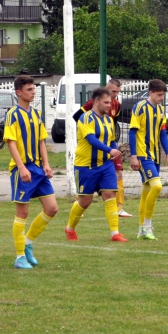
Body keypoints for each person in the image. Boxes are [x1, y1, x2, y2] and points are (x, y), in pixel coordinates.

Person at [4, 75, 59, 269]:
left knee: (52, 208)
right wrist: (21, 166)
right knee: (23, 212)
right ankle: (19, 257)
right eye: (29, 89)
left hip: (38, 168)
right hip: (23, 168)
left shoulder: (36, 114)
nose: (33, 92)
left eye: (34, 89)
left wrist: (46, 164)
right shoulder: (13, 114)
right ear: (19, 92)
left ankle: (27, 243)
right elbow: (10, 142)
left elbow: (41, 141)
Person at [64, 87, 128, 242]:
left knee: (110, 195)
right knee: (85, 201)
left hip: (105, 164)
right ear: (96, 102)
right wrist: (109, 150)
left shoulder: (108, 119)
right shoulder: (86, 118)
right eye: (106, 102)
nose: (109, 105)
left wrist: (115, 151)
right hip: (86, 165)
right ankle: (70, 228)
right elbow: (91, 139)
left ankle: (115, 233)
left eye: (111, 102)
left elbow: (111, 139)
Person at [72, 78, 131, 217]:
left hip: (109, 147)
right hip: (91, 151)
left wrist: (111, 143)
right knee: (86, 198)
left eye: (117, 92)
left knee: (119, 173)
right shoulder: (93, 106)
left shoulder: (116, 104)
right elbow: (76, 116)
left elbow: (113, 123)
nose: (115, 95)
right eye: (113, 91)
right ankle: (79, 206)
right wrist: (88, 129)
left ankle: (119, 208)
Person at [129, 79, 168, 240]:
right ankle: (147, 225)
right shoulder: (140, 107)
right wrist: (133, 155)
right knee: (157, 186)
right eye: (159, 95)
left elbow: (163, 133)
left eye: (163, 95)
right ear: (151, 93)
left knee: (147, 190)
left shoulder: (160, 110)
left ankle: (142, 230)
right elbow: (132, 132)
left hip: (155, 156)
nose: (162, 98)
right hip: (143, 155)